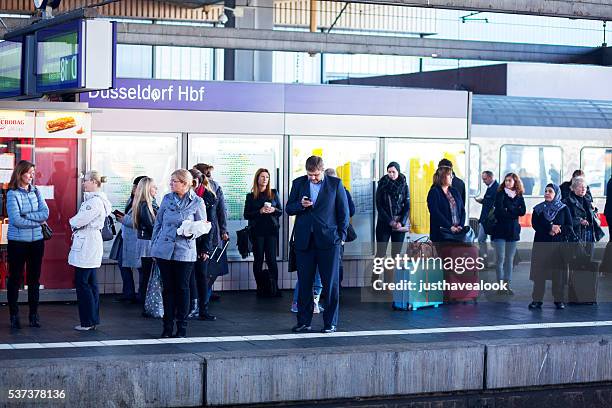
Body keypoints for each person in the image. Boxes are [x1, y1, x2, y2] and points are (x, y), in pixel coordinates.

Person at [286, 156, 349, 333]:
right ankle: (304, 322)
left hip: (330, 241)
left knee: (331, 284)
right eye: (309, 175)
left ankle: (330, 323)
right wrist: (300, 205)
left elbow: (343, 213)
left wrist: (341, 237)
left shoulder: (335, 184)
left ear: (322, 170)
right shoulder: (298, 183)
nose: (312, 178)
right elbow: (289, 208)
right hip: (304, 241)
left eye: (315, 175)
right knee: (305, 283)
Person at [150, 169, 207, 338]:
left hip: (185, 251)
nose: (171, 183)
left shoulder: (197, 202)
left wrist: (191, 232)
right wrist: (154, 247)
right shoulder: (167, 199)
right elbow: (158, 224)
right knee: (168, 289)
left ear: (184, 183)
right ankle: (167, 327)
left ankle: (181, 327)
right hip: (164, 250)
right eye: (171, 180)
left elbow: (204, 226)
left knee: (182, 288)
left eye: (174, 181)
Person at [6, 160, 49, 329]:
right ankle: (14, 314)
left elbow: (46, 212)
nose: (32, 176)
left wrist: (28, 215)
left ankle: (33, 314)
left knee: (34, 279)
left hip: (36, 242)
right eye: (29, 172)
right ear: (20, 173)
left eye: (33, 173)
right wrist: (38, 221)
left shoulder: (36, 191)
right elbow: (16, 220)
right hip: (18, 242)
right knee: (15, 278)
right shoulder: (12, 193)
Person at [69, 171, 112, 331]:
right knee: (91, 283)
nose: (83, 183)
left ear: (94, 182)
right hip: (91, 242)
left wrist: (71, 221)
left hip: (87, 243)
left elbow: (79, 220)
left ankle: (87, 321)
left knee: (83, 283)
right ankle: (92, 319)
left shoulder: (93, 202)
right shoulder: (99, 200)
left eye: (85, 180)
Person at [528, 184, 573, 310]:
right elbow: (535, 225)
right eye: (546, 191)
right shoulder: (538, 209)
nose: (547, 193)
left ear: (556, 194)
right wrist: (550, 228)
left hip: (558, 247)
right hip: (541, 245)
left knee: (558, 274)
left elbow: (569, 227)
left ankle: (559, 300)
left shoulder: (564, 209)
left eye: (550, 191)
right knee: (539, 274)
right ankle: (537, 300)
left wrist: (558, 229)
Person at [244, 168, 283, 296]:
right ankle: (260, 288)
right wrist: (259, 212)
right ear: (257, 178)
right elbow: (246, 215)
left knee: (271, 260)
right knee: (258, 259)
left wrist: (273, 210)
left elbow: (280, 211)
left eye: (267, 177)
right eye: (262, 177)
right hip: (257, 232)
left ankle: (274, 288)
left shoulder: (273, 193)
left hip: (271, 231)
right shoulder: (251, 196)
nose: (265, 179)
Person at [193, 163, 228, 302]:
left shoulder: (212, 188)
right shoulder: (214, 187)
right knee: (209, 269)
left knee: (202, 270)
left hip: (203, 234)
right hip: (212, 233)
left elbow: (220, 211)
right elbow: (222, 212)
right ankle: (203, 300)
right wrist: (223, 230)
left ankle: (199, 301)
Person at [125, 176, 158, 317]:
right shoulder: (145, 206)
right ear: (147, 189)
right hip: (148, 243)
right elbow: (153, 227)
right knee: (147, 275)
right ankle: (147, 305)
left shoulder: (142, 204)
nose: (156, 189)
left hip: (145, 242)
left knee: (146, 275)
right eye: (154, 187)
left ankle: (146, 303)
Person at [113, 176, 146, 303]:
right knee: (123, 264)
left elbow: (141, 221)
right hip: (126, 238)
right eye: (133, 186)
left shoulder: (145, 202)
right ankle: (129, 293)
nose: (133, 189)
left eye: (135, 186)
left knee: (141, 268)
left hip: (137, 239)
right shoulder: (132, 200)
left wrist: (124, 219)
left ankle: (141, 295)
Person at [375, 162, 409, 282]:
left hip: (399, 223)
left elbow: (407, 204)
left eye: (393, 172)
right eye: (389, 172)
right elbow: (379, 205)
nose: (391, 174)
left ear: (398, 172)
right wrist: (390, 221)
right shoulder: (382, 184)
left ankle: (392, 281)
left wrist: (402, 222)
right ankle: (375, 280)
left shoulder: (404, 184)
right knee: (380, 253)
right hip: (384, 223)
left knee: (396, 255)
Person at [195, 172, 223, 321]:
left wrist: (206, 248)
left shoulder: (208, 197)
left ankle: (202, 308)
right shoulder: (185, 197)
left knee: (202, 276)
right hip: (188, 243)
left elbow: (210, 224)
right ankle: (190, 307)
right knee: (189, 277)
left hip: (203, 243)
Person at [492, 173, 526, 295]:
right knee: (500, 258)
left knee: (509, 259)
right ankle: (500, 285)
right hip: (499, 231)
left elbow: (523, 211)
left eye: (510, 181)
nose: (507, 183)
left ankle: (507, 285)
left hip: (513, 232)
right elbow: (499, 212)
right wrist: (513, 212)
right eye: (506, 180)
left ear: (515, 182)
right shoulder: (500, 194)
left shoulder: (519, 195)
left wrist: (509, 209)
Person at [427, 166, 466, 244]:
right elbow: (435, 213)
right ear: (442, 177)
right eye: (450, 175)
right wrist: (449, 227)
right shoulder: (434, 192)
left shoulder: (454, 191)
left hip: (457, 233)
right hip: (441, 234)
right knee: (443, 255)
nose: (452, 177)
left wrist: (461, 225)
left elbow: (462, 210)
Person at [474, 171, 499, 266]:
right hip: (485, 219)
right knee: (481, 239)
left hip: (491, 220)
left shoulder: (496, 188)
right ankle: (485, 260)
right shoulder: (490, 188)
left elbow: (492, 203)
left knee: (494, 242)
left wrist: (483, 201)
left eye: (484, 179)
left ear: (490, 177)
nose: (483, 181)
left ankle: (496, 262)